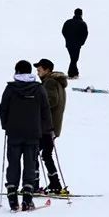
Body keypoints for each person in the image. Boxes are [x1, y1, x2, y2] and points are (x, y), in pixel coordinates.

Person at [0, 60, 51, 211]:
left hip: (14, 132)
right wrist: (44, 129)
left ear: (17, 71)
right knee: (30, 163)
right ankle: (27, 198)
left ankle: (12, 196)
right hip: (33, 133)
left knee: (13, 163)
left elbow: (3, 109)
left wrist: (6, 125)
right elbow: (45, 110)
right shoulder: (38, 88)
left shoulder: (10, 88)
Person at [33, 59, 67, 193]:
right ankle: (54, 183)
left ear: (47, 70)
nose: (37, 71)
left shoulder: (50, 82)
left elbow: (51, 101)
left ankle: (34, 184)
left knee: (34, 153)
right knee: (46, 154)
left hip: (46, 126)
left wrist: (36, 105)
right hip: (52, 126)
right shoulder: (55, 82)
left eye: (39, 69)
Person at [61, 9, 89, 80]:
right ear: (81, 14)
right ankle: (71, 74)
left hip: (69, 44)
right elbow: (85, 34)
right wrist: (81, 42)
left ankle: (75, 73)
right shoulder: (82, 23)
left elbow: (63, 31)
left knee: (73, 59)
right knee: (74, 59)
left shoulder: (68, 22)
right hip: (77, 45)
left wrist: (67, 39)